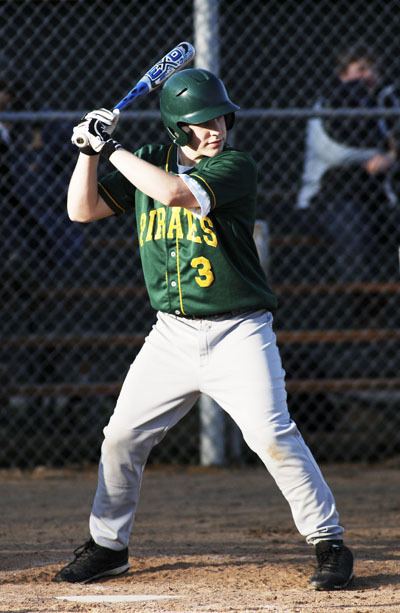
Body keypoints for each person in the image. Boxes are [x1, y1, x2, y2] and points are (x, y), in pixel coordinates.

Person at [53, 68, 354, 590]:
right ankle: (108, 546)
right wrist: (87, 152)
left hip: (238, 331)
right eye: (198, 121)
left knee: (270, 434)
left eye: (219, 116)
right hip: (170, 334)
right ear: (175, 127)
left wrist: (112, 146)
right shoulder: (148, 158)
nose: (214, 128)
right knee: (121, 437)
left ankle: (329, 542)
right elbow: (82, 211)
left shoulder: (236, 166)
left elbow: (175, 194)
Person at [296, 45, 399, 281]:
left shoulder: (383, 106)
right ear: (343, 75)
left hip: (375, 196)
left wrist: (391, 159)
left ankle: (381, 303)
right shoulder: (328, 104)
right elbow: (331, 152)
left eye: (373, 70)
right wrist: (374, 157)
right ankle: (358, 300)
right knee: (352, 230)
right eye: (361, 69)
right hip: (328, 196)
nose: (368, 75)